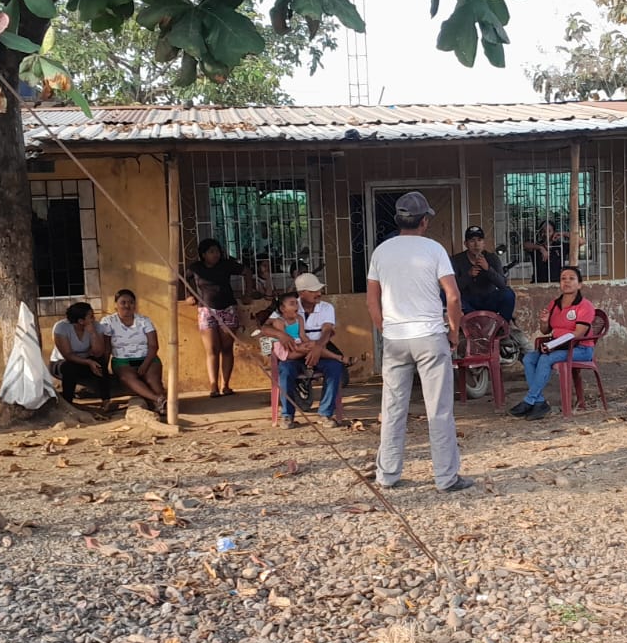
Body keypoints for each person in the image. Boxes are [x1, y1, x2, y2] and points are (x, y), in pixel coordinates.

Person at [366, 191, 472, 493]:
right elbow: (453, 297)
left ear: (398, 220)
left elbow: (372, 300)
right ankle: (446, 477)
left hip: (395, 339)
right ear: (424, 221)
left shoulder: (381, 252)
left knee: (393, 407)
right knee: (439, 409)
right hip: (429, 336)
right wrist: (454, 332)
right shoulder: (434, 249)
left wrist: (384, 329)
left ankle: (387, 475)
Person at [510, 266, 597, 420]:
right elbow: (545, 331)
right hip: (556, 347)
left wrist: (554, 345)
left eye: (571, 279)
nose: (567, 282)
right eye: (563, 279)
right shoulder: (554, 304)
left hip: (580, 349)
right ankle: (540, 402)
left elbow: (578, 334)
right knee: (528, 358)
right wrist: (544, 322)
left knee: (546, 358)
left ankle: (529, 400)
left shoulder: (585, 306)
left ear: (579, 285)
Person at [264, 273, 347, 428]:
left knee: (335, 367)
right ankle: (287, 416)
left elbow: (327, 330)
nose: (319, 293)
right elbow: (265, 327)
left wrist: (318, 347)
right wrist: (281, 335)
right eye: (314, 291)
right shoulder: (289, 305)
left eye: (319, 290)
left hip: (318, 350)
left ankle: (325, 414)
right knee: (285, 371)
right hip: (294, 353)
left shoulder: (326, 307)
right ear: (302, 293)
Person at [183, 238, 244, 397]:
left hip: (228, 309)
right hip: (206, 310)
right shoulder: (196, 268)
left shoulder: (226, 265)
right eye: (211, 251)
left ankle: (226, 385)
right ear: (203, 254)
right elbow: (183, 279)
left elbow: (247, 272)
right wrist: (189, 296)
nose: (215, 254)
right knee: (212, 349)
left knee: (227, 348)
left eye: (217, 251)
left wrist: (249, 294)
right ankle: (213, 386)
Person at [101, 289, 167, 414]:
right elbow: (107, 347)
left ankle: (162, 405)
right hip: (122, 361)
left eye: (131, 302)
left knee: (152, 380)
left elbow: (153, 346)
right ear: (116, 305)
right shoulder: (108, 322)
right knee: (128, 378)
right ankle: (159, 399)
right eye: (123, 302)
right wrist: (103, 367)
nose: (127, 305)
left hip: (148, 358)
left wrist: (145, 365)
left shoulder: (144, 320)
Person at [50, 301, 112, 407]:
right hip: (61, 363)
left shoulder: (96, 326)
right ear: (81, 321)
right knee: (69, 367)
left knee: (100, 363)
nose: (94, 319)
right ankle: (68, 403)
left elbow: (98, 352)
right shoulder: (61, 327)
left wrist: (93, 333)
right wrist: (88, 362)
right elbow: (68, 355)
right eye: (91, 317)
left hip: (86, 361)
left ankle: (106, 401)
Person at [452, 225, 515, 322]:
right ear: (466, 244)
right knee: (445, 294)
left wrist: (488, 269)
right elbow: (453, 288)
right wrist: (468, 275)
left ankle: (503, 325)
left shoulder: (492, 258)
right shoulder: (457, 260)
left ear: (484, 243)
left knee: (508, 294)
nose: (476, 244)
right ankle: (475, 322)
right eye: (472, 240)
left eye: (479, 240)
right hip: (469, 302)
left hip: (489, 300)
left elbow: (502, 284)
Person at [526, 220, 567, 284]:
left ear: (554, 232)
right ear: (539, 233)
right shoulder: (536, 245)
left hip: (558, 283)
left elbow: (581, 241)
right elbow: (524, 245)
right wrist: (541, 248)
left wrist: (563, 234)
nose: (545, 234)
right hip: (538, 284)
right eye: (542, 231)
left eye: (549, 231)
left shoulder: (560, 246)